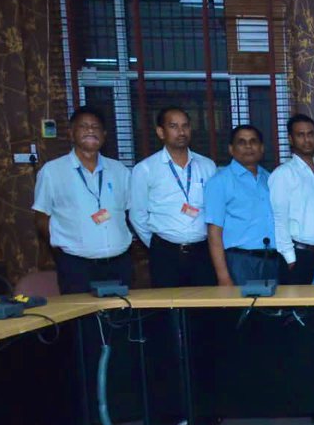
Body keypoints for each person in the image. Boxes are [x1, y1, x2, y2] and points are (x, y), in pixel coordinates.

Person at [32, 106, 133, 294]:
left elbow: (129, 213)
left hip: (119, 264)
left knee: (122, 320)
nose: (90, 130)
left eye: (96, 127)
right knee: (82, 322)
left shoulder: (119, 171)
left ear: (104, 135)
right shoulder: (52, 172)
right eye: (83, 126)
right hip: (76, 267)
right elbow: (41, 218)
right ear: (71, 133)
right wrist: (63, 250)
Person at [129, 106, 217, 287]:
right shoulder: (145, 169)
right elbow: (137, 215)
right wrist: (159, 244)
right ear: (161, 132)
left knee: (206, 310)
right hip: (165, 254)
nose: (181, 132)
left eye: (185, 126)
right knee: (169, 310)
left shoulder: (207, 166)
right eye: (174, 126)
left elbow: (215, 210)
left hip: (202, 252)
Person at [203, 125, 277, 286]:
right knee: (245, 310)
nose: (248, 146)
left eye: (253, 141)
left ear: (262, 148)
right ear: (231, 149)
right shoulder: (220, 181)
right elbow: (214, 233)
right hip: (240, 262)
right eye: (241, 142)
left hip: (272, 260)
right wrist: (223, 277)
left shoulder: (270, 179)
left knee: (274, 310)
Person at [269, 113, 314, 285]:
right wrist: (290, 258)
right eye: (301, 135)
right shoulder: (283, 174)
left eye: (311, 134)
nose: (307, 140)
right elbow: (279, 219)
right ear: (291, 139)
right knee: (298, 309)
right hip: (299, 256)